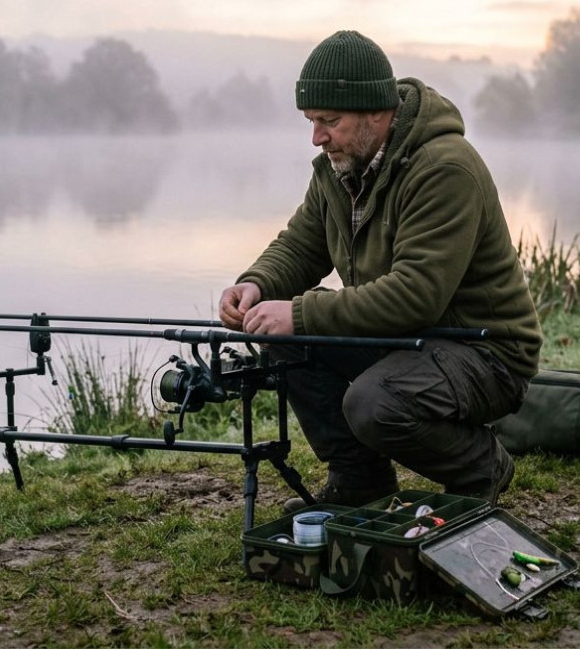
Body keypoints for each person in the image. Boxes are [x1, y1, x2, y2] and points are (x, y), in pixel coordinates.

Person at [218, 29, 540, 509]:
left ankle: (480, 467)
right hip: (405, 337)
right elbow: (302, 245)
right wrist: (255, 284)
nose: (317, 136)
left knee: (372, 403)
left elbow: (416, 295)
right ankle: (360, 479)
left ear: (376, 112)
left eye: (329, 120)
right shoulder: (339, 166)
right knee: (280, 334)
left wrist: (301, 314)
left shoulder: (444, 169)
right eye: (311, 120)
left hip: (484, 351)